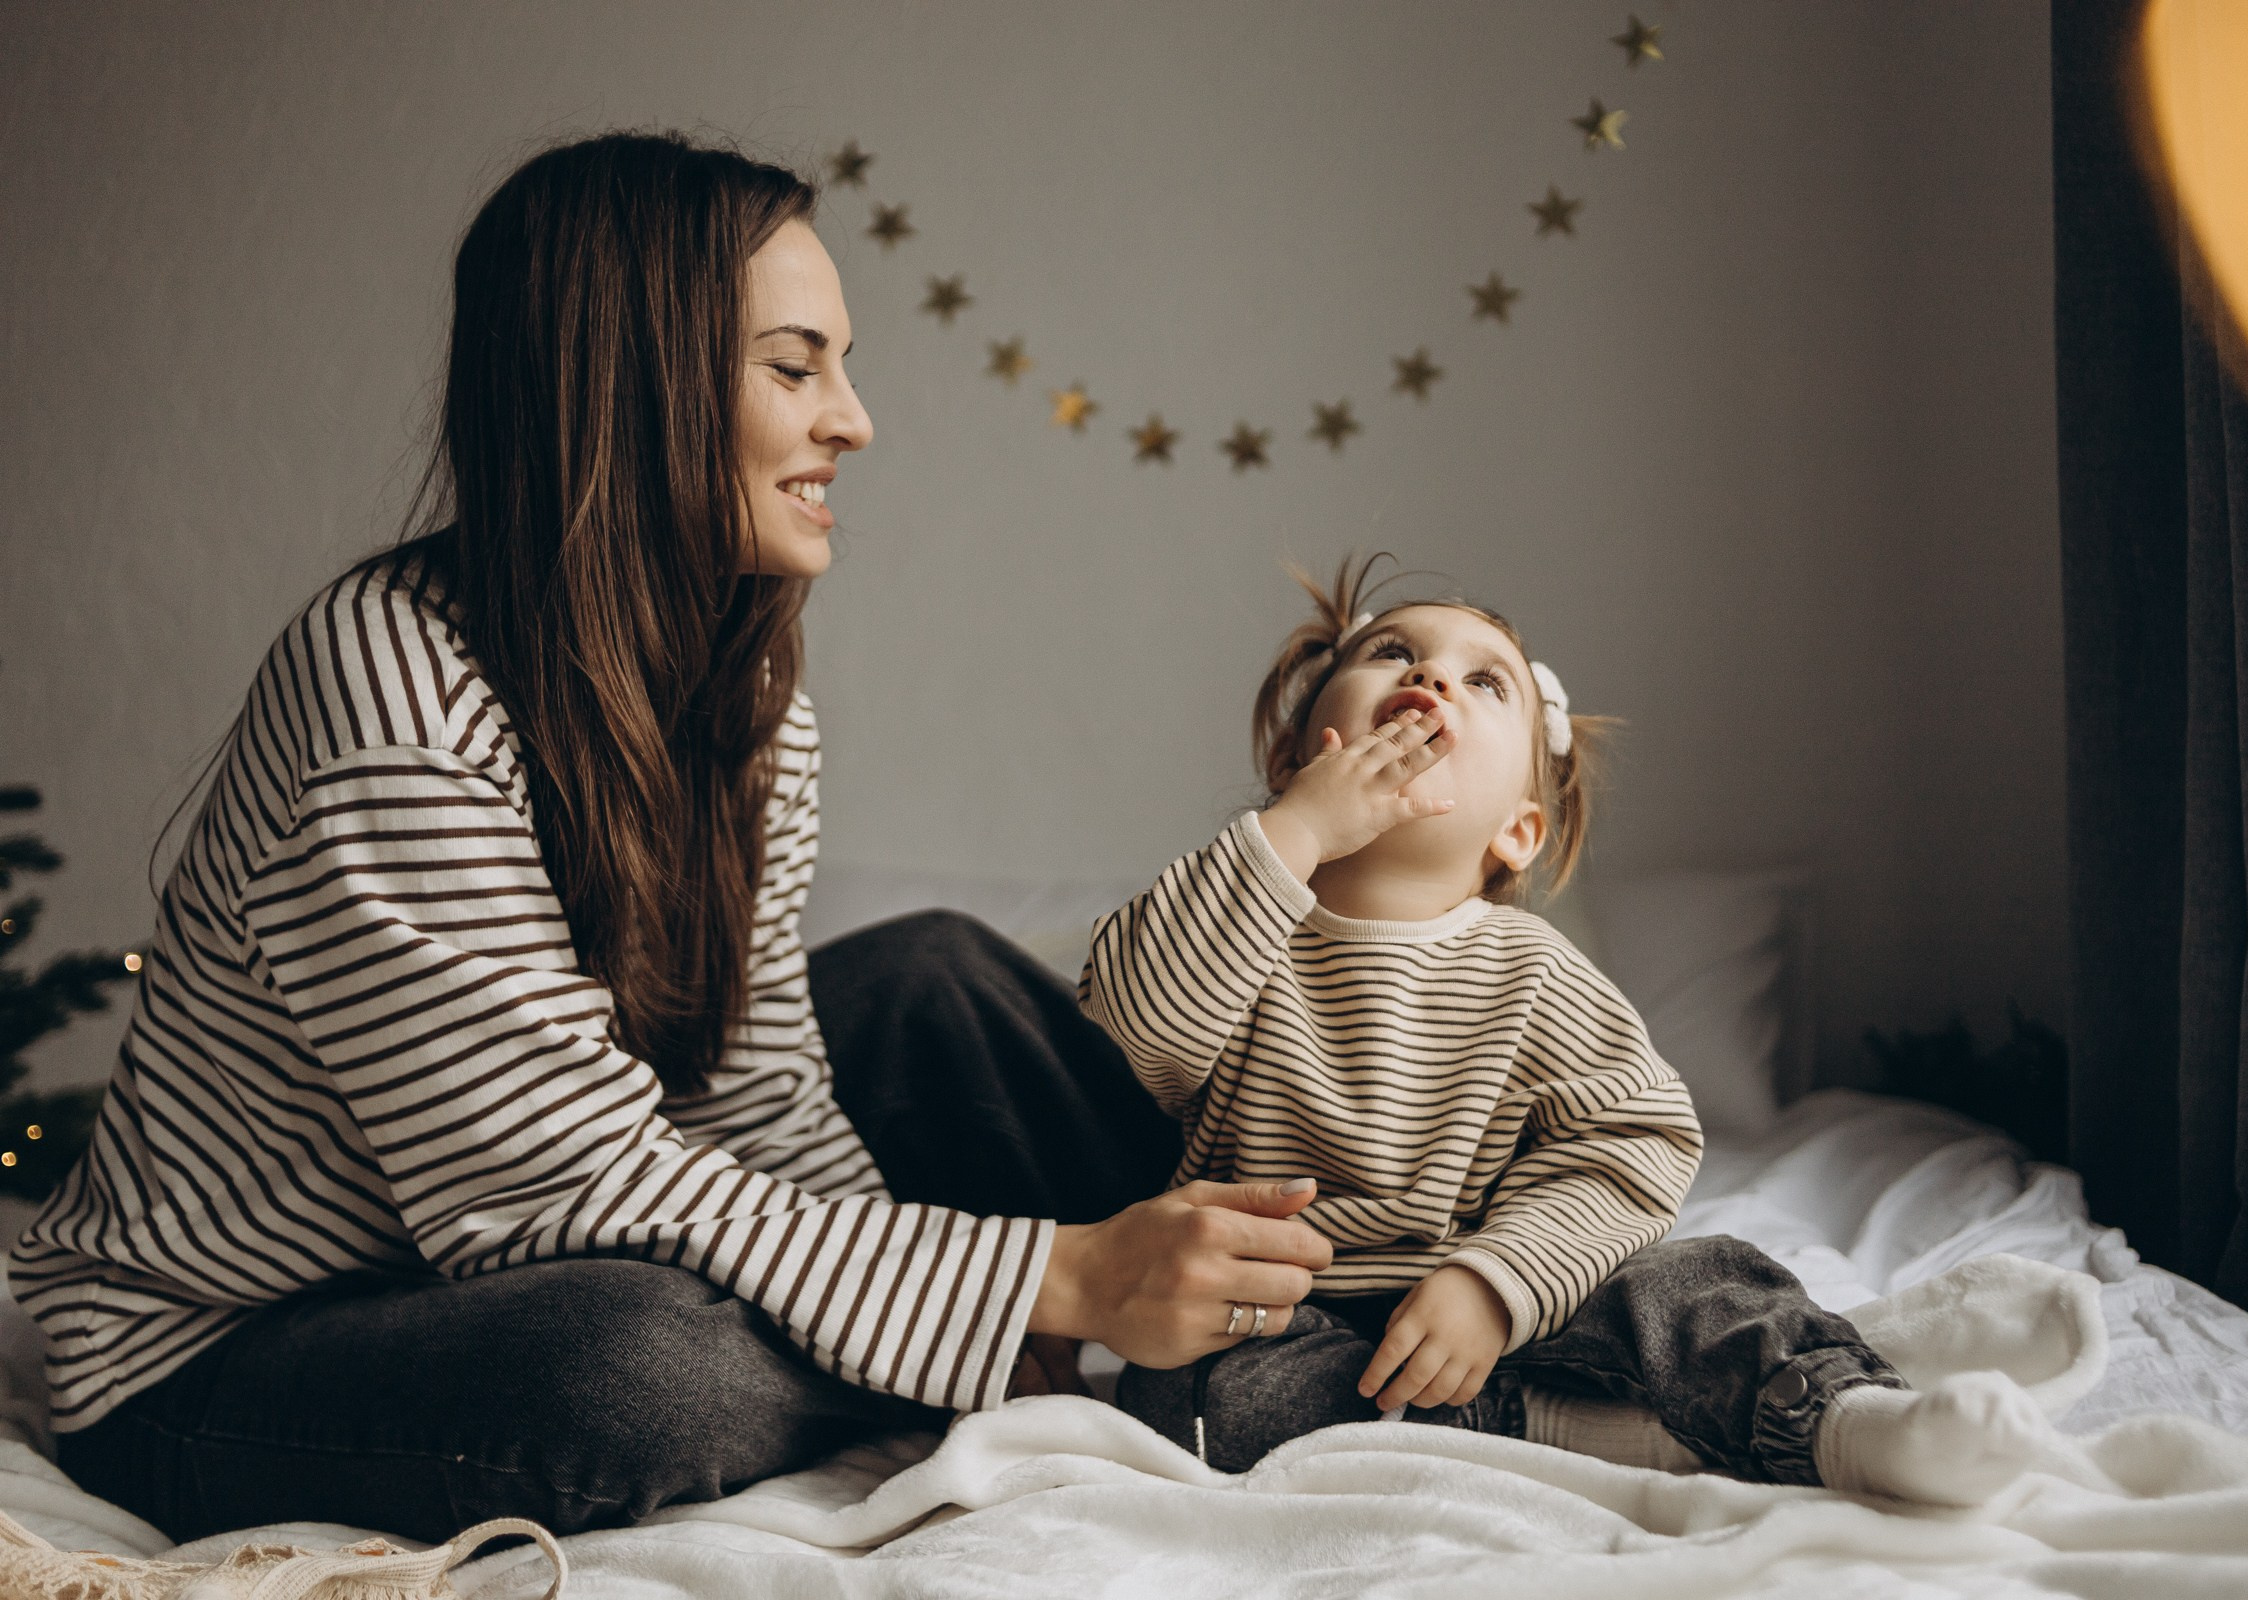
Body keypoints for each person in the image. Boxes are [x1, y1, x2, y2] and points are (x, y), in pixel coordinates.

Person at [7, 131, 1328, 1545]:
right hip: (232, 1350)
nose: (855, 421)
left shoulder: (742, 682)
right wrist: (1027, 1285)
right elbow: (551, 1186)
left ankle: (1350, 1304)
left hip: (510, 1227)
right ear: (629, 384)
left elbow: (753, 1100)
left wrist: (960, 1307)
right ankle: (1116, 1322)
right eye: (795, 365)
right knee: (642, 1373)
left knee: (936, 974)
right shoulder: (389, 691)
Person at [1090, 556, 2054, 1503]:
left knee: (1696, 1281)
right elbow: (1130, 1018)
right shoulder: (1233, 931)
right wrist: (1295, 830)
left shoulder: (1532, 968)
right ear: (1296, 758)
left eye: (1483, 681)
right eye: (1391, 652)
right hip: (1285, 1317)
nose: (1429, 679)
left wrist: (1494, 1284)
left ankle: (1843, 1413)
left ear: (1518, 830)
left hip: (1499, 1298)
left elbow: (1635, 1142)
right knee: (1200, 1395)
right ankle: (1583, 1430)